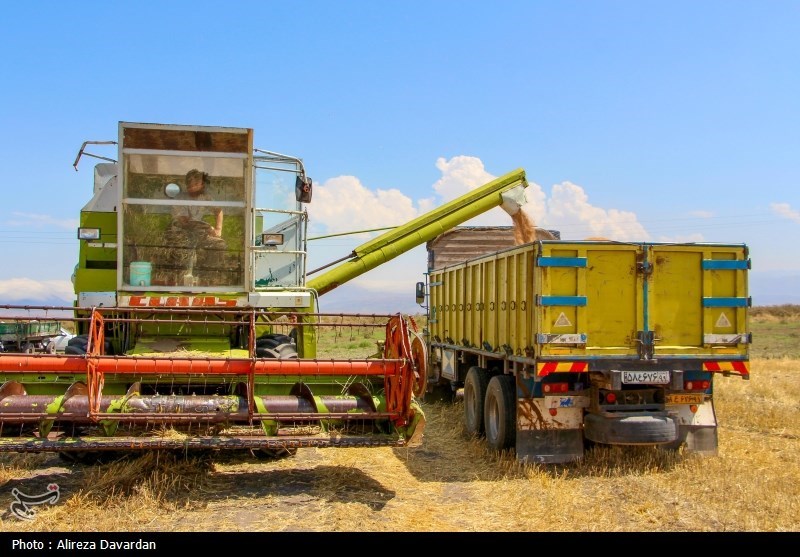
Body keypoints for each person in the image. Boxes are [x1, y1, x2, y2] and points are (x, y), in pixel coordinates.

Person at [163, 169, 226, 284]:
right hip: (180, 234)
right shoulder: (180, 198)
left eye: (196, 184)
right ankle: (177, 279)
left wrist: (217, 229)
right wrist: (202, 227)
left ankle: (207, 277)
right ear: (187, 185)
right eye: (190, 185)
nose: (193, 187)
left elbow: (219, 211)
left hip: (198, 234)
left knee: (219, 244)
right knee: (181, 249)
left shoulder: (206, 198)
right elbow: (184, 221)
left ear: (202, 184)